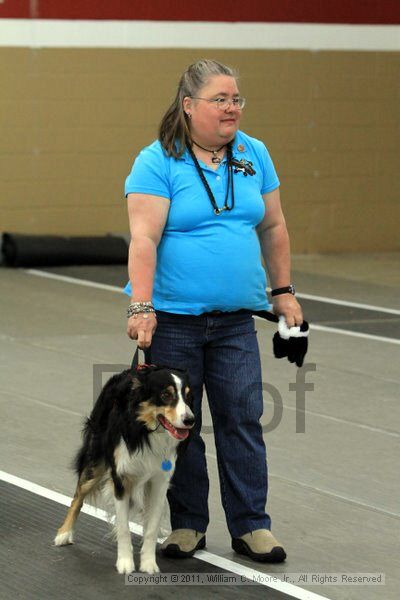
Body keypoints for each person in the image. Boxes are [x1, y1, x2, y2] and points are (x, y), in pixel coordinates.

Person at [124, 59, 303, 563]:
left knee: (243, 417)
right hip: (174, 321)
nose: (232, 108)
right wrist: (141, 306)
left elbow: (273, 226)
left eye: (237, 99)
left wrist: (283, 289)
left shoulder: (254, 153)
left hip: (234, 322)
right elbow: (144, 238)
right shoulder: (157, 161)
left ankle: (252, 526)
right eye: (220, 99)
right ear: (188, 106)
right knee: (181, 425)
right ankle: (187, 525)